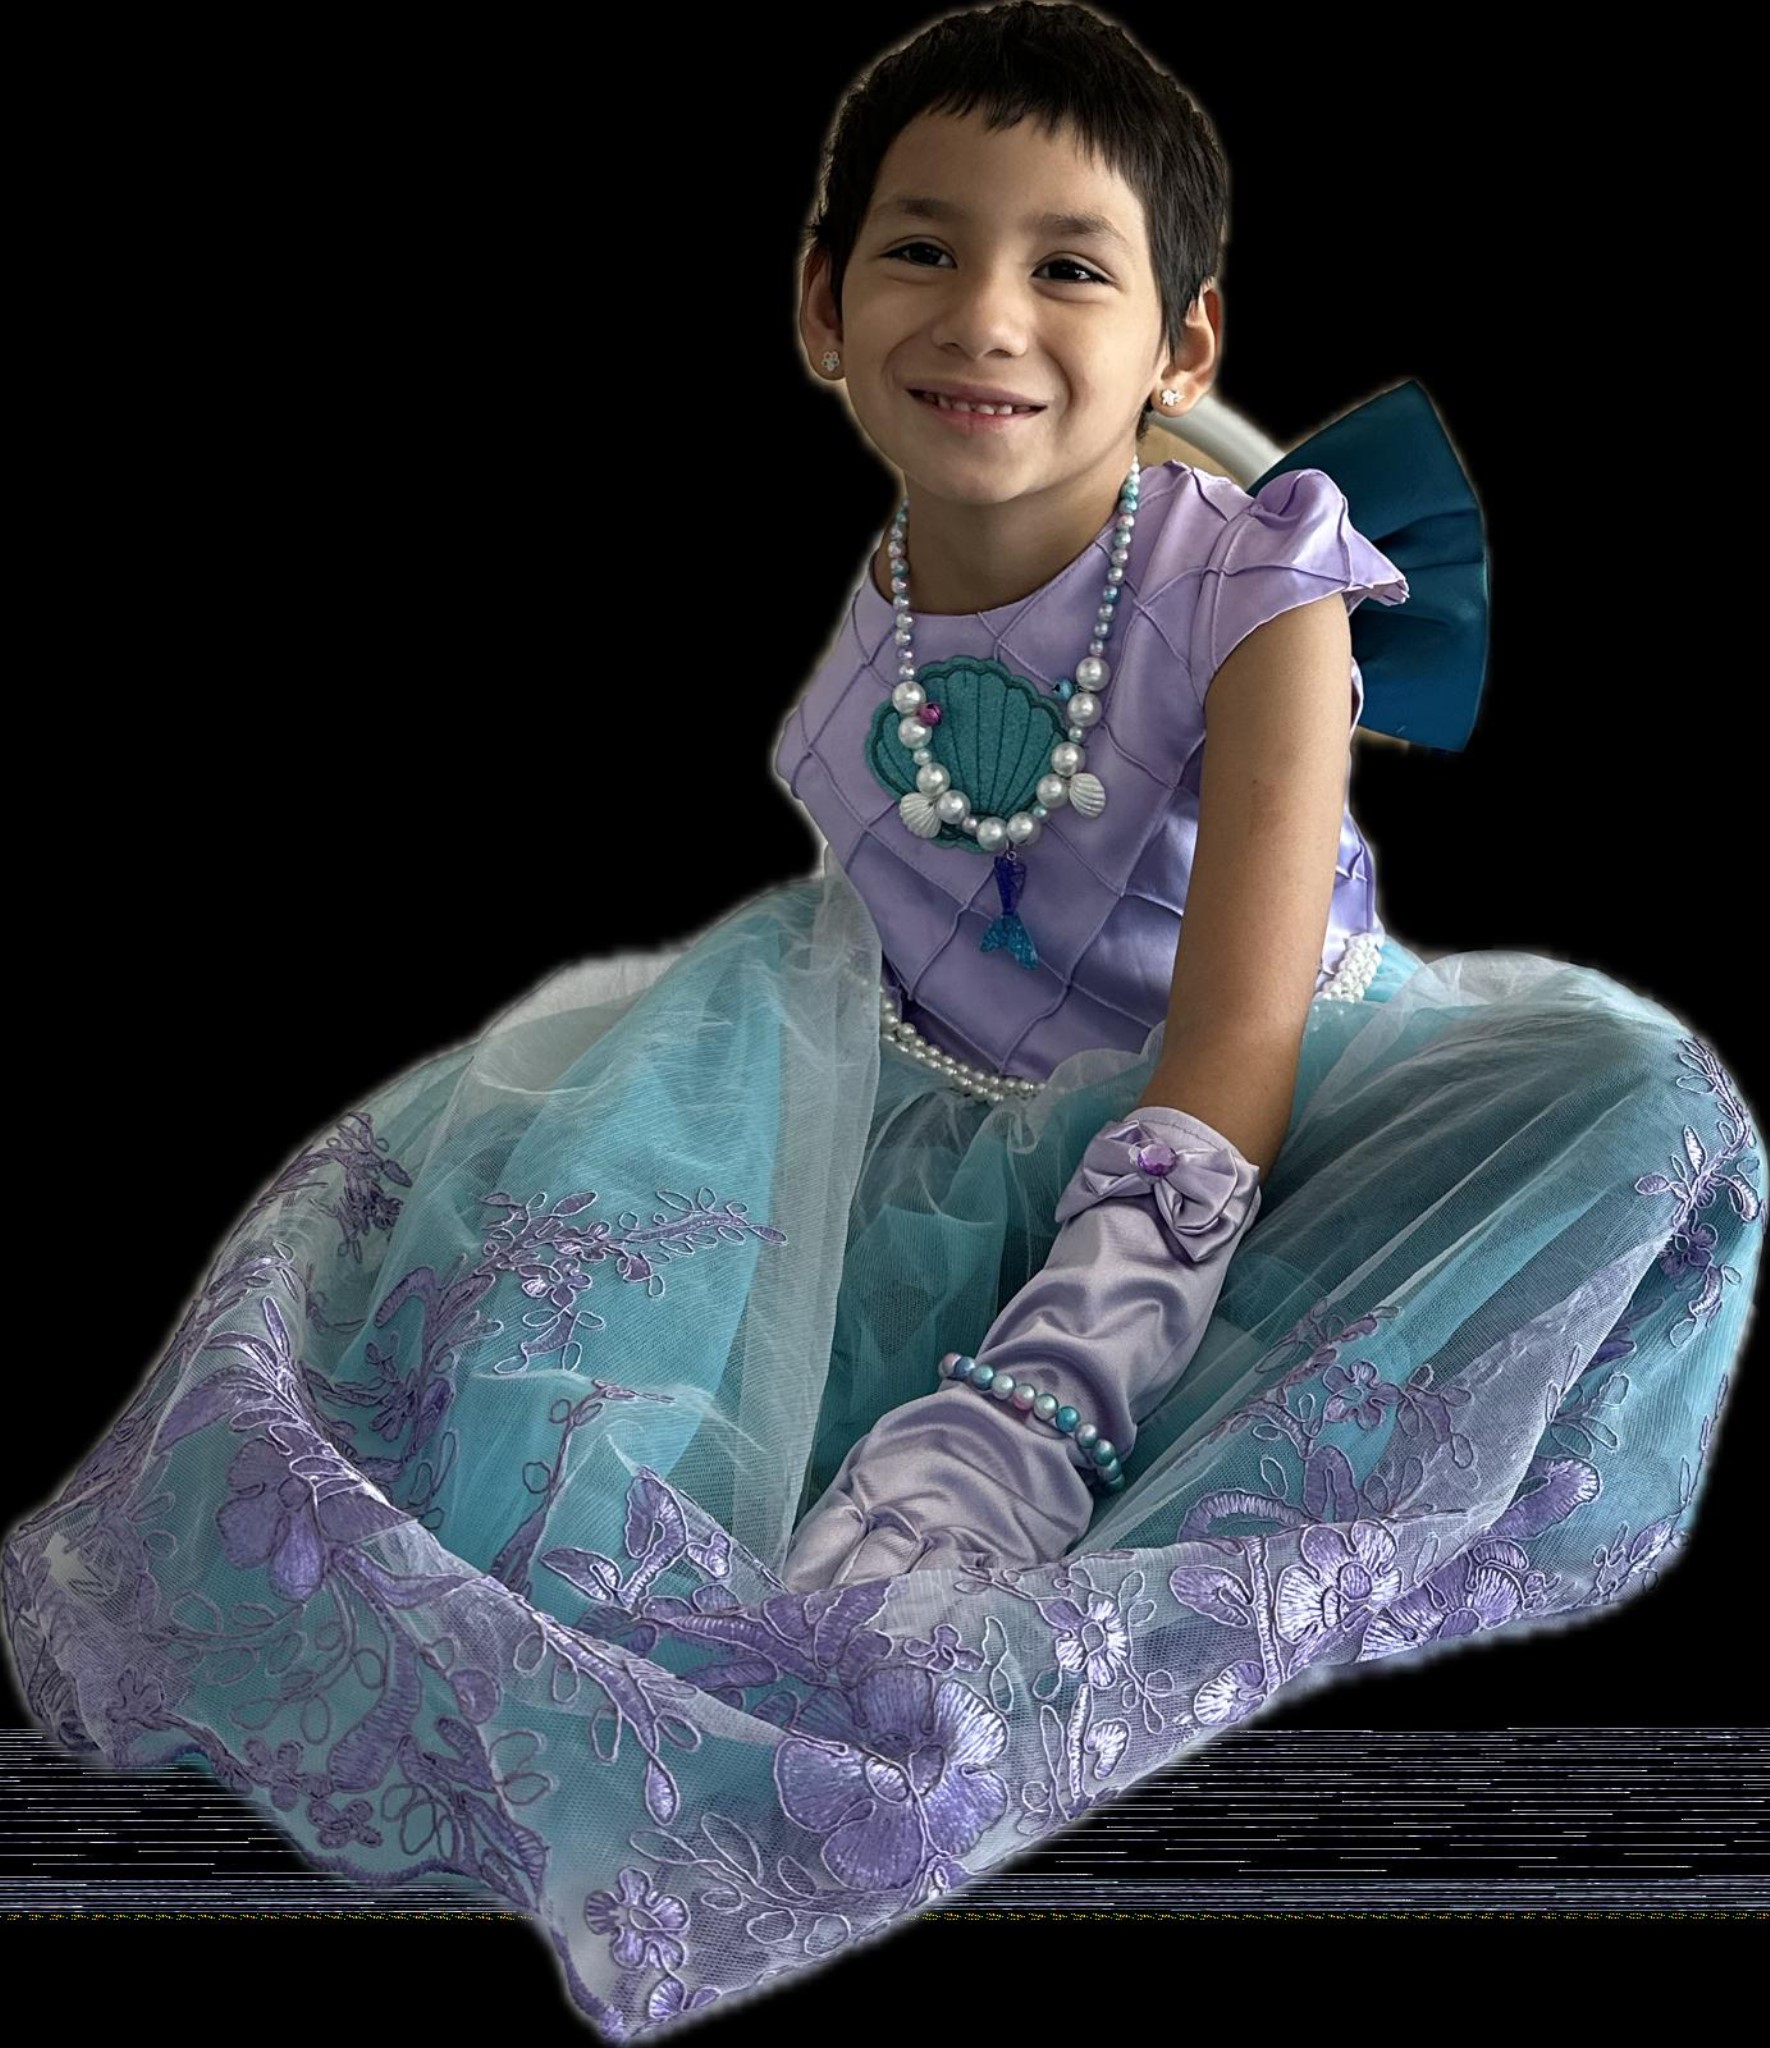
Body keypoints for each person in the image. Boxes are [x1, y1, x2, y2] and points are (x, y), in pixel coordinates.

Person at [1, 4, 1758, 2037]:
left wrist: (1036, 1408)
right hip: (930, 1101)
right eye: (923, 249)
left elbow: (1231, 1042)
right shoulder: (882, 615)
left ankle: (1082, 1478)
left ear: (1183, 343)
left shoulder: (1257, 586)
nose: (986, 315)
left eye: (1069, 266)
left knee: (1636, 1101)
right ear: (821, 307)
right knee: (552, 1288)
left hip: (1252, 1119)